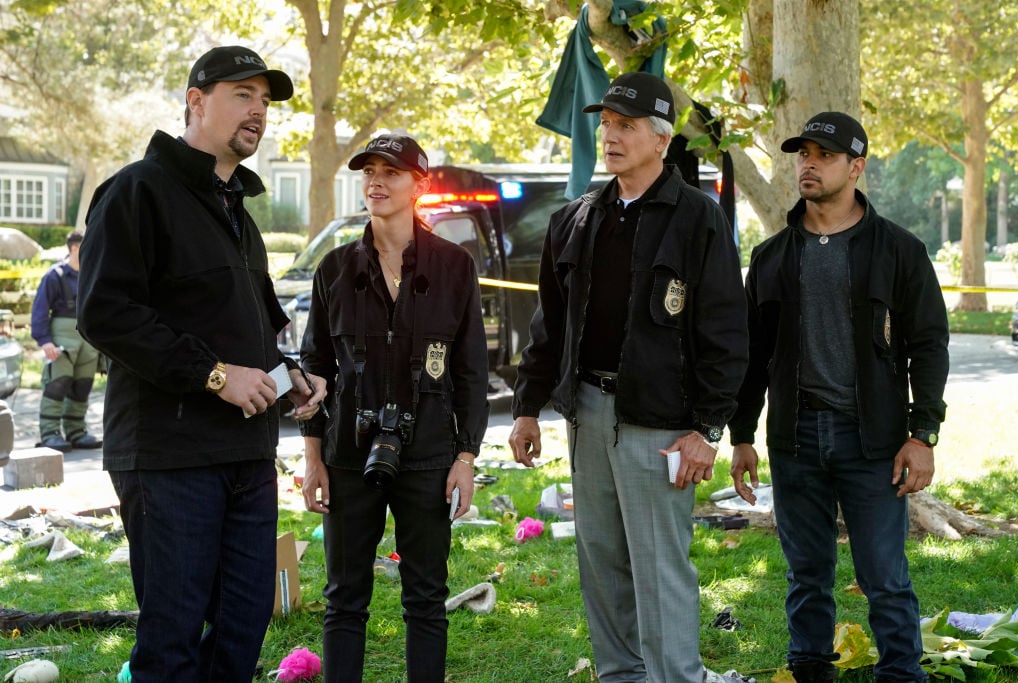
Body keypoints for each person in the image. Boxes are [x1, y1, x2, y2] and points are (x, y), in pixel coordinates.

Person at [77, 45, 326, 683]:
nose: (259, 112)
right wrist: (215, 374)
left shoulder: (236, 208)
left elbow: (252, 323)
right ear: (196, 101)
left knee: (244, 623)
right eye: (243, 95)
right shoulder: (136, 190)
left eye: (265, 101)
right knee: (174, 633)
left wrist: (286, 373)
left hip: (246, 453)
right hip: (169, 457)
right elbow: (105, 314)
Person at [508, 72, 749, 683]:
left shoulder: (698, 218)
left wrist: (707, 429)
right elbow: (550, 323)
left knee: (660, 569)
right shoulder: (576, 218)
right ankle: (619, 676)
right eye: (606, 124)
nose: (610, 136)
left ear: (662, 139)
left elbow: (725, 333)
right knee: (602, 563)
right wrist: (528, 406)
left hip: (661, 423)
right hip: (586, 414)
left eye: (627, 126)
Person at [728, 112, 949, 683]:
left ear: (856, 167)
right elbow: (754, 355)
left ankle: (901, 674)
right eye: (802, 153)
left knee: (885, 575)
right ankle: (809, 671)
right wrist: (744, 435)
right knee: (806, 573)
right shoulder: (773, 255)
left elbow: (928, 346)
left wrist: (921, 435)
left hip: (871, 439)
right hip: (795, 438)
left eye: (823, 155)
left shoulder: (900, 250)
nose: (809, 163)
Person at [299, 134, 490, 682]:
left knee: (426, 596)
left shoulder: (454, 266)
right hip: (346, 453)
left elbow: (470, 373)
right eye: (369, 172)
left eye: (391, 172)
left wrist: (465, 456)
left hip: (428, 450)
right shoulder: (334, 268)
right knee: (344, 598)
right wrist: (313, 457)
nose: (376, 182)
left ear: (419, 185)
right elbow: (315, 367)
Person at [30, 229, 101, 452]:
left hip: (87, 342)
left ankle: (76, 431)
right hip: (62, 340)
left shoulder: (92, 276)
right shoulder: (54, 275)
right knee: (57, 384)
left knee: (82, 386)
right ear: (75, 248)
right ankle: (50, 432)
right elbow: (39, 311)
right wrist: (45, 341)